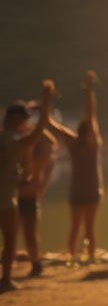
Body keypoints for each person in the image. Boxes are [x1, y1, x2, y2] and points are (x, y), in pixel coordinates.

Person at [1, 82, 55, 292]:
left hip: (11, 194)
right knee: (10, 241)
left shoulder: (7, 140)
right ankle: (5, 280)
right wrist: (47, 100)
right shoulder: (14, 143)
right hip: (6, 200)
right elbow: (40, 130)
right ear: (16, 121)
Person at [63, 71, 104, 263]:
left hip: (78, 191)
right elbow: (91, 115)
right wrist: (89, 89)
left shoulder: (75, 144)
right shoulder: (90, 144)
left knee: (77, 226)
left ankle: (72, 258)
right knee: (88, 227)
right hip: (90, 191)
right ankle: (89, 258)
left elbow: (89, 118)